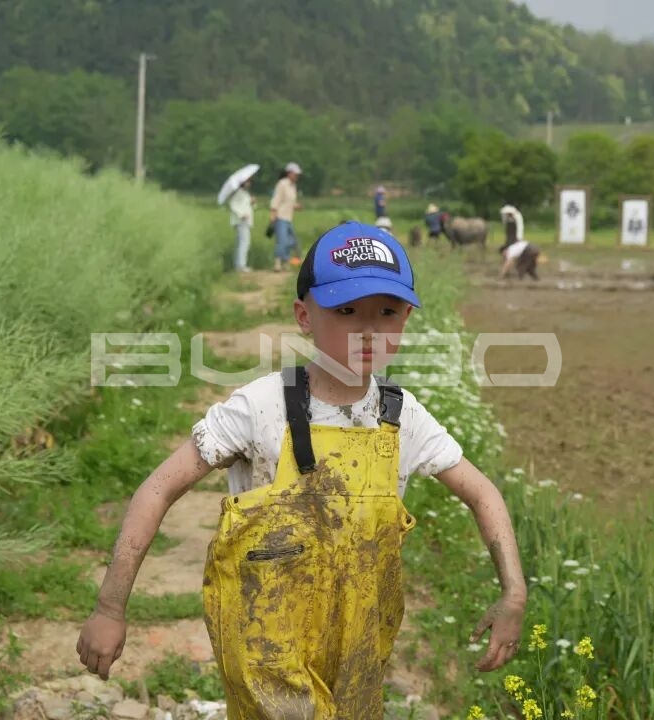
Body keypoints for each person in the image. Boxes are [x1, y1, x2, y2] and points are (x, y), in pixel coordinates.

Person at [76, 222, 528, 718]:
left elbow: (482, 493)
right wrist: (109, 607)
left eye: (387, 313)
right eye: (346, 311)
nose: (368, 329)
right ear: (304, 316)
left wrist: (513, 593)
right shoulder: (261, 406)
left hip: (361, 642)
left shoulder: (402, 417)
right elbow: (158, 489)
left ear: (406, 320)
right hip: (265, 640)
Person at [270, 162, 303, 272]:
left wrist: (296, 206)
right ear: (289, 173)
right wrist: (273, 214)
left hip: (289, 218)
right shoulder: (282, 184)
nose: (297, 176)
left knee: (293, 241)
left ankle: (285, 261)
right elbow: (276, 199)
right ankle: (278, 263)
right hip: (280, 216)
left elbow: (289, 201)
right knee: (282, 241)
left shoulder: (293, 186)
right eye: (295, 174)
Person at [228, 177, 254, 273]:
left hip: (245, 221)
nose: (249, 183)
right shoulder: (238, 192)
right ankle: (241, 266)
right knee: (244, 242)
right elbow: (233, 204)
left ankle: (238, 265)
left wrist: (251, 202)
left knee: (240, 242)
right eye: (247, 181)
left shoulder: (245, 193)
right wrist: (241, 214)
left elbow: (245, 205)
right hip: (241, 221)